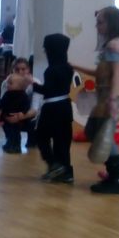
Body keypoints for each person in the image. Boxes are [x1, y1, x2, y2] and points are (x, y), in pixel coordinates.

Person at [73, 7, 119, 193]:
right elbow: (100, 73)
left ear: (112, 24)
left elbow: (117, 75)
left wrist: (112, 99)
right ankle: (116, 174)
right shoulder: (111, 46)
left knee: (101, 133)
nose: (97, 26)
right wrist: (73, 65)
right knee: (92, 130)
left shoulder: (114, 45)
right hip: (105, 97)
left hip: (110, 98)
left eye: (100, 22)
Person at [34, 33, 75, 184]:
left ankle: (54, 165)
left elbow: (48, 91)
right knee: (62, 140)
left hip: (52, 108)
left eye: (46, 49)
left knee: (41, 136)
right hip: (65, 107)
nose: (45, 51)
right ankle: (66, 172)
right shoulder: (68, 68)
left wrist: (32, 84)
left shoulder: (51, 70)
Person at [0, 70, 33, 154]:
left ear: (19, 85)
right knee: (9, 133)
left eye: (10, 83)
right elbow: (1, 102)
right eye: (8, 83)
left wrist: (22, 113)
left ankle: (16, 147)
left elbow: (26, 106)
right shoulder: (7, 94)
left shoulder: (23, 95)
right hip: (6, 118)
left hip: (18, 119)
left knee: (15, 133)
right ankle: (9, 144)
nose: (7, 85)